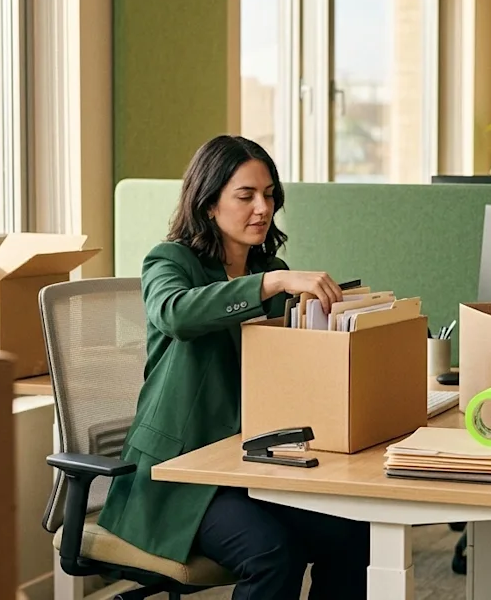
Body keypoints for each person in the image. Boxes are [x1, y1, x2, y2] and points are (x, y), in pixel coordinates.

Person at [97, 135, 369, 600]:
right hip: (178, 477)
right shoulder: (170, 262)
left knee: (351, 533)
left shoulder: (269, 269)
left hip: (250, 466)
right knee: (270, 551)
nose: (262, 208)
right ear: (208, 204)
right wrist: (271, 283)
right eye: (246, 196)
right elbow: (176, 313)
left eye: (268, 195)